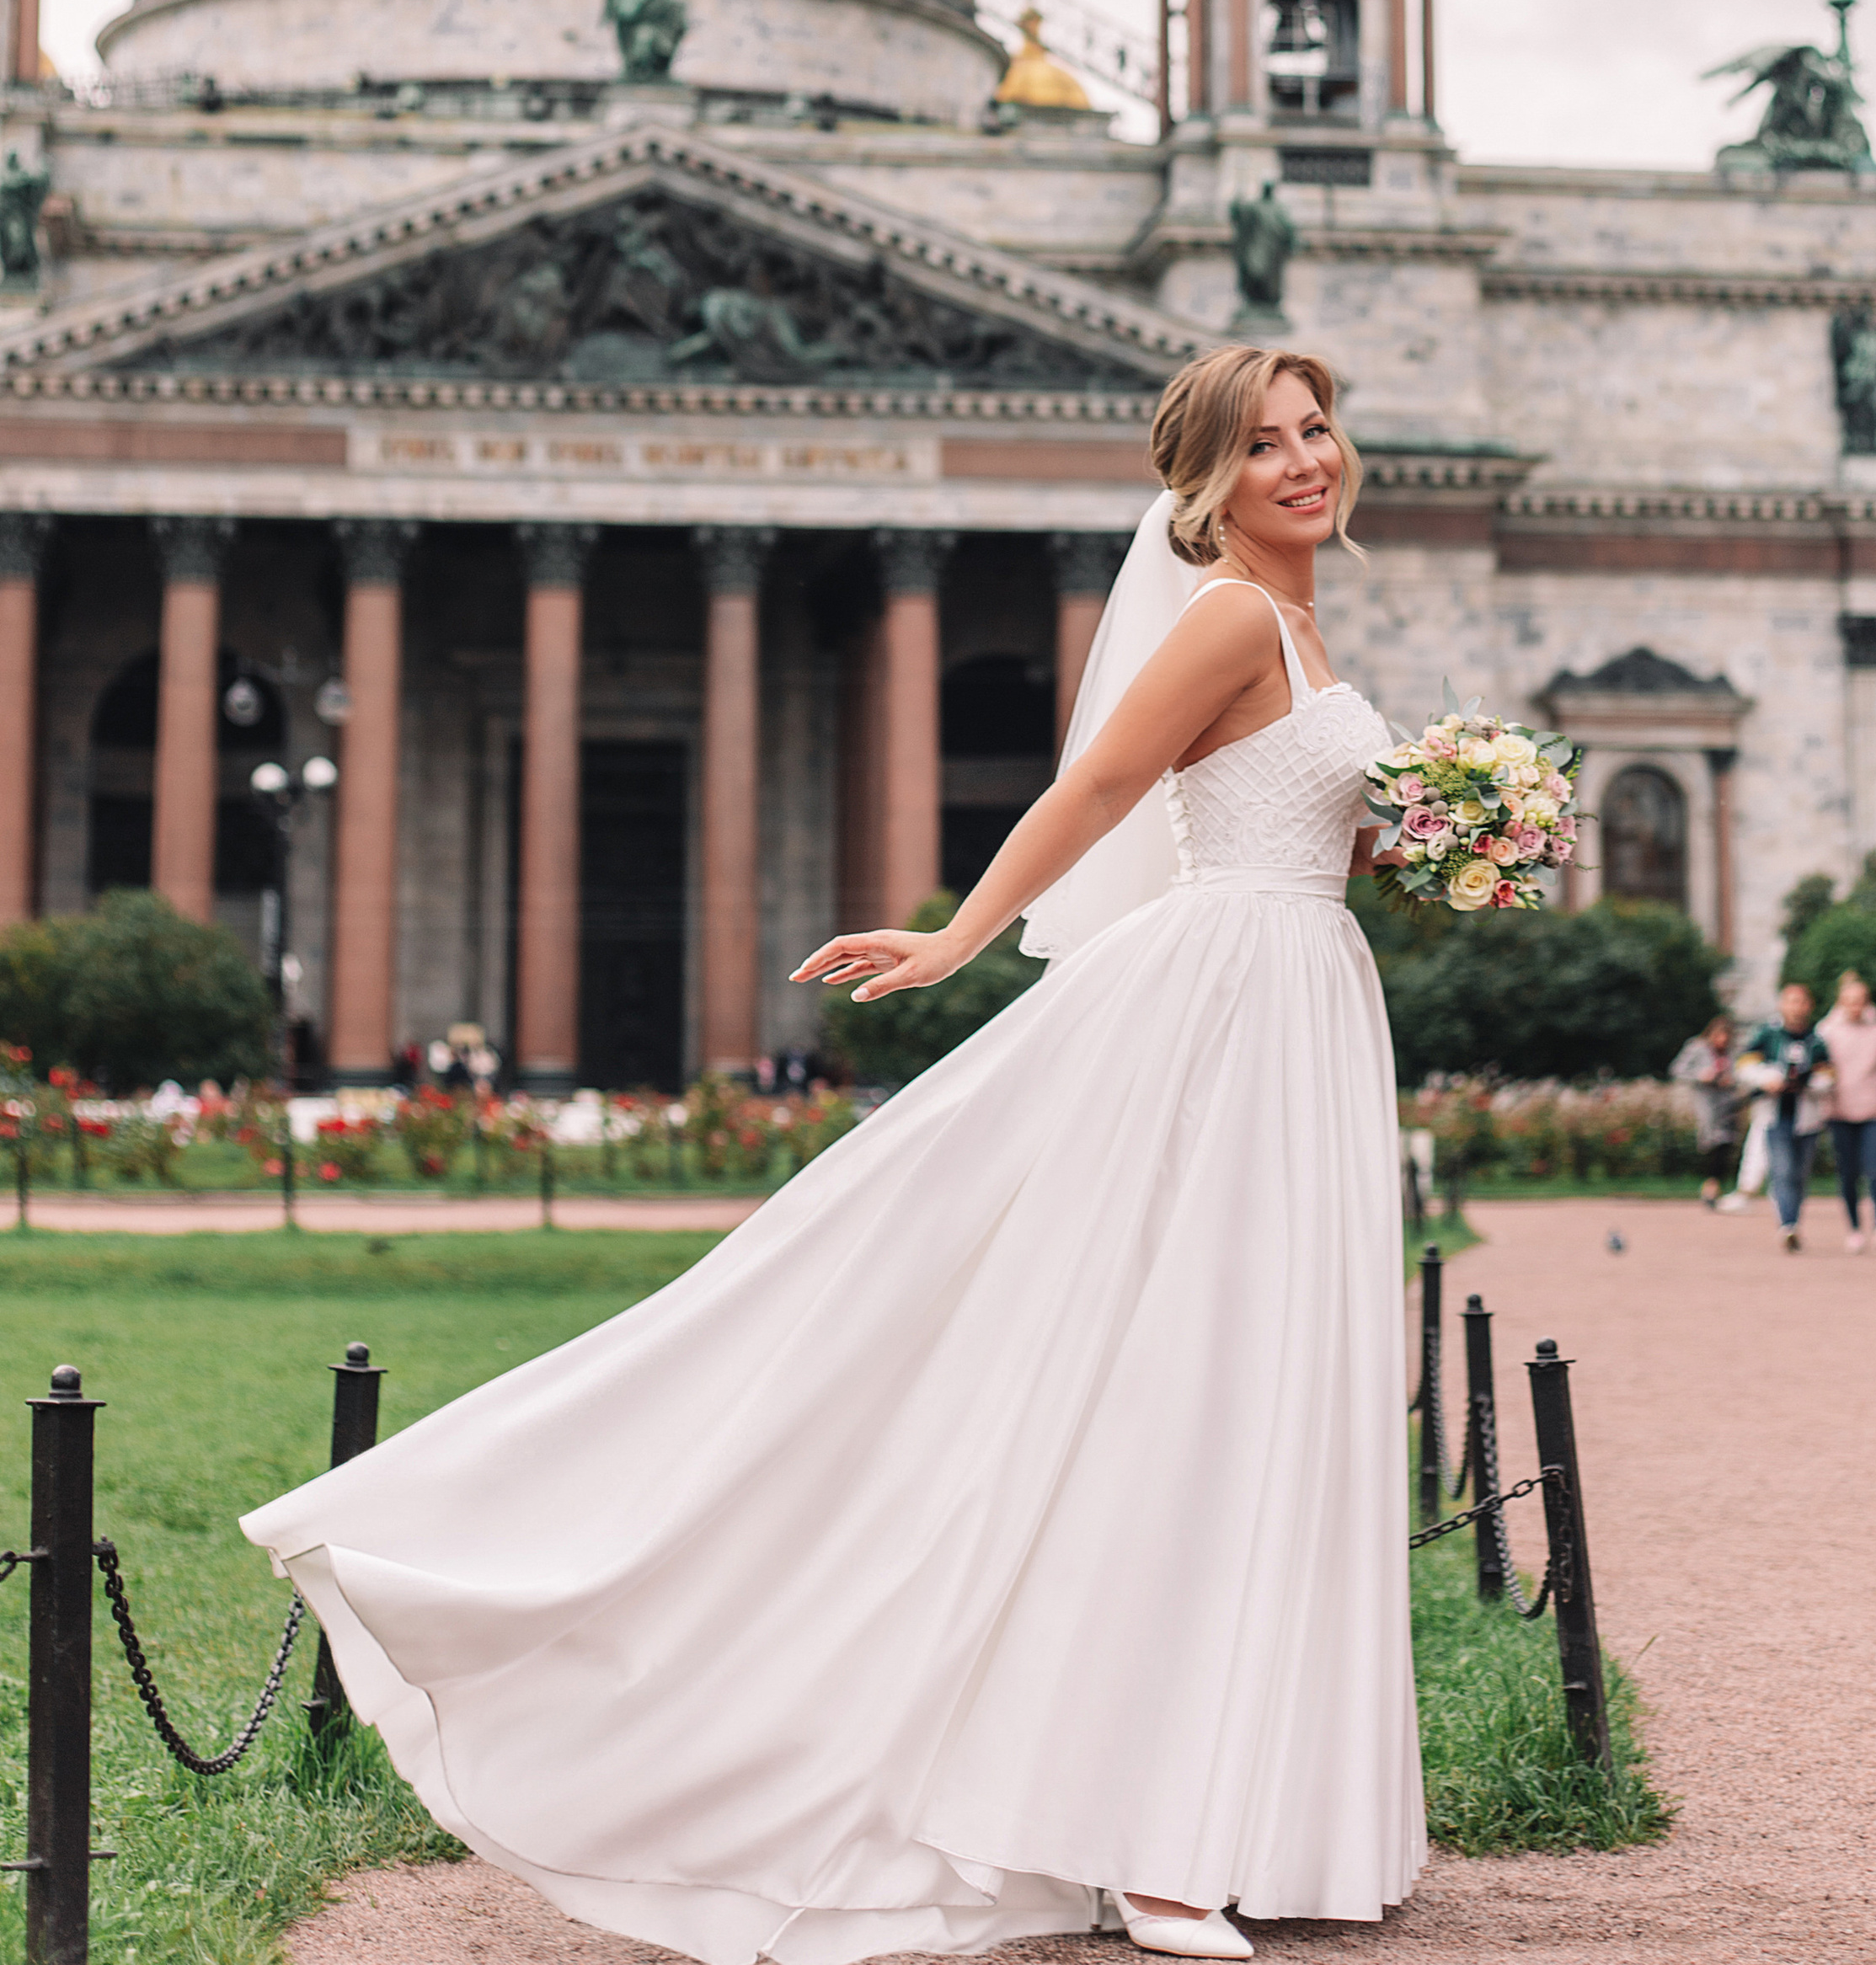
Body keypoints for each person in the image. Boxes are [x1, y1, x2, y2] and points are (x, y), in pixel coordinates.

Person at [241, 344, 1427, 1965]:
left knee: (1260, 1386)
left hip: (1302, 1004)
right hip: (1230, 1006)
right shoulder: (1230, 612)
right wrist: (957, 939)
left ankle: (1223, 1806)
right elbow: (1100, 785)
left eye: (1316, 431)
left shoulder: (1299, 627)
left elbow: (1291, 812)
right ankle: (1148, 1850)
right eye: (1263, 444)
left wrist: (1455, 827)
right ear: (1203, 486)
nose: (1305, 461)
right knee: (1180, 1387)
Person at [1818, 970, 1876, 1253]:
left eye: (1859, 1001)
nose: (1855, 1007)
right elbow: (1820, 1071)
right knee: (1847, 1173)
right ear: (1840, 1002)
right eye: (1849, 1001)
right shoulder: (1827, 1030)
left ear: (1867, 1002)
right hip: (1840, 1110)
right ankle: (1855, 1229)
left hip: (1873, 1109)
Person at [1741, 982, 1832, 1252]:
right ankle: (1788, 1225)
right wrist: (1767, 1079)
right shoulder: (1768, 1035)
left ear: (1809, 1006)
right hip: (1775, 1115)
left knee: (1799, 1175)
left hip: (1807, 1117)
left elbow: (1828, 1075)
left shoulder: (1817, 1040)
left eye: (1801, 1002)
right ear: (1782, 1004)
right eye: (1791, 1001)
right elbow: (1745, 1065)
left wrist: (1810, 1084)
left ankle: (1793, 1220)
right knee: (1782, 1170)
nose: (1796, 1007)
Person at [1670, 1014, 1741, 1204]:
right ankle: (1710, 1185)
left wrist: (1732, 1080)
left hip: (1728, 1102)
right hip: (1706, 1101)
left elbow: (1740, 1074)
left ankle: (1713, 1186)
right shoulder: (1696, 1048)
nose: (1723, 1041)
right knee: (1712, 1142)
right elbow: (1677, 1070)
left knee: (1727, 1142)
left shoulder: (1732, 1052)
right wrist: (1700, 1076)